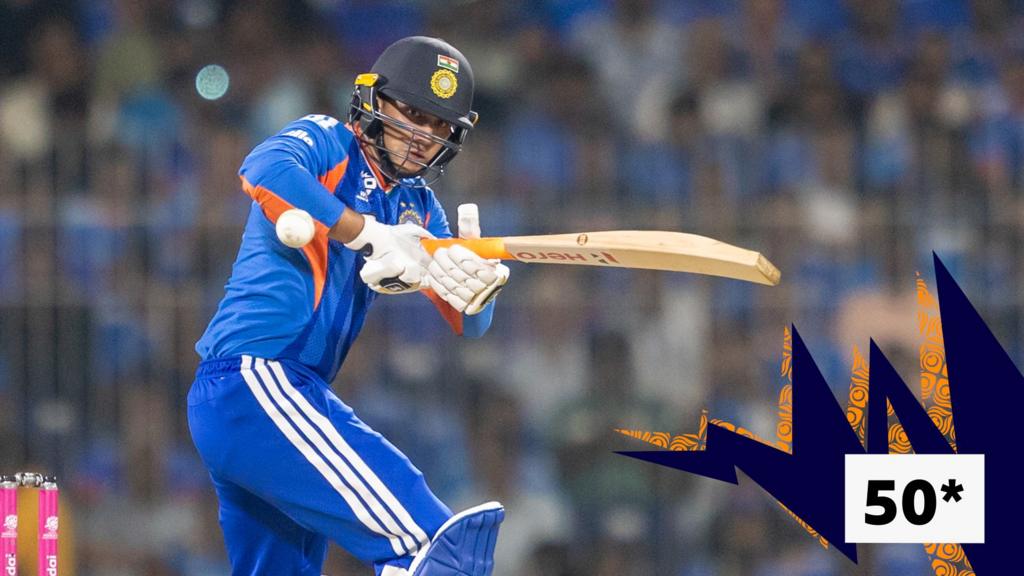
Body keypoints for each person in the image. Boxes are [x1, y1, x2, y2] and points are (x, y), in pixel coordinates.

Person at [187, 36, 508, 576]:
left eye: (438, 126)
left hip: (276, 401)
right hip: (255, 383)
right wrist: (367, 234)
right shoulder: (328, 140)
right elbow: (263, 168)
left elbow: (469, 325)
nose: (422, 137)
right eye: (412, 114)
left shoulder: (419, 207)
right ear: (373, 101)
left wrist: (477, 288)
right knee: (434, 548)